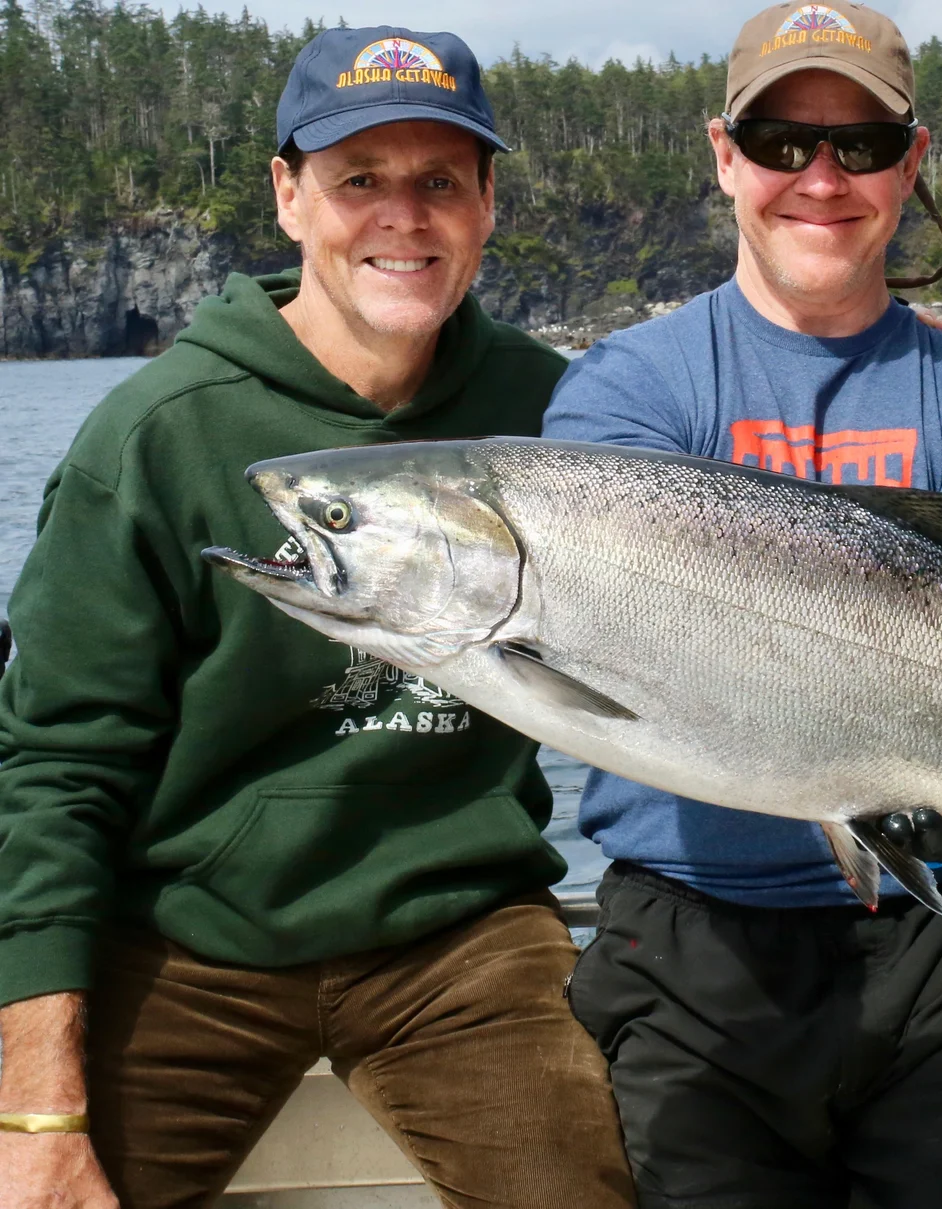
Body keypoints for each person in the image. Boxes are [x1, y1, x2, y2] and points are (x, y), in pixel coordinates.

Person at [0, 25, 634, 1209]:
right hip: (184, 935)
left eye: (439, 180)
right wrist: (36, 1108)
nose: (403, 215)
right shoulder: (157, 436)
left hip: (464, 936)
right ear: (289, 197)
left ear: (488, 203)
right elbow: (52, 767)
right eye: (358, 180)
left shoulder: (561, 415)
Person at [540, 4, 942, 1206]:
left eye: (862, 145)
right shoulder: (621, 394)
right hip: (694, 955)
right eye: (783, 142)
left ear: (913, 162)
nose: (822, 179)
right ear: (724, 155)